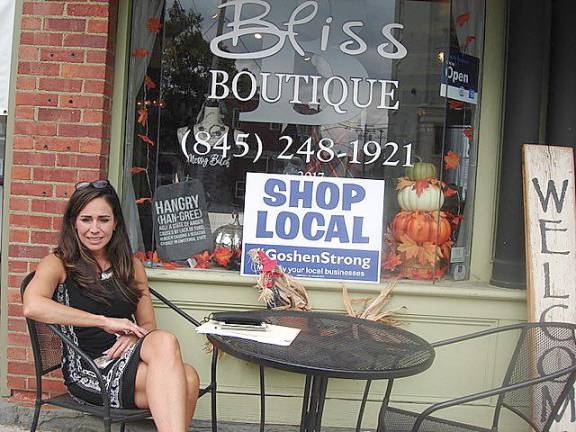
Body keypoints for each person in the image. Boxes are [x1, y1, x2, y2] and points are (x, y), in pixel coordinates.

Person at [23, 180, 199, 432]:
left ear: (115, 222)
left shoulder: (130, 265)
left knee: (169, 348)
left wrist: (131, 335)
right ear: (74, 222)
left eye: (103, 220)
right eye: (86, 220)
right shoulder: (58, 263)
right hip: (89, 368)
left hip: (129, 357)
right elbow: (32, 306)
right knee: (187, 379)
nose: (95, 229)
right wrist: (104, 321)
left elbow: (148, 324)